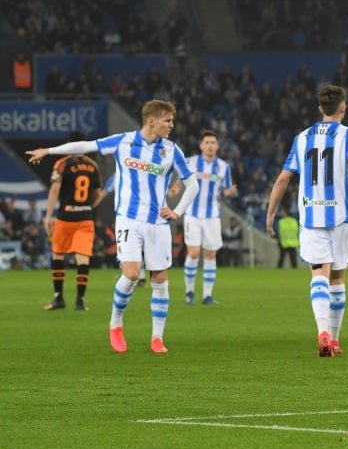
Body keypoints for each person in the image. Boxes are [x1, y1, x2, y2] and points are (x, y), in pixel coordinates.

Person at [27, 100, 199, 354]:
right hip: (128, 219)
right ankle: (116, 324)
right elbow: (86, 145)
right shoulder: (123, 141)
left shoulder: (172, 151)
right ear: (151, 121)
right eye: (167, 120)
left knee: (160, 278)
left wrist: (177, 211)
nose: (172, 125)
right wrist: (49, 150)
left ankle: (157, 338)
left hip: (158, 223)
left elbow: (192, 184)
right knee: (130, 274)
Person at [265, 85, 348, 357]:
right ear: (343, 107)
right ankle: (335, 339)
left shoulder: (301, 138)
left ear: (319, 108)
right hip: (341, 216)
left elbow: (283, 178)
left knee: (319, 275)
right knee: (337, 278)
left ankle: (322, 331)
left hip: (311, 216)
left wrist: (270, 213)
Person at [169, 130, 237, 305]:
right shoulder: (191, 162)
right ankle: (189, 291)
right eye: (207, 142)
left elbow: (226, 189)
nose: (210, 145)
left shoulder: (223, 166)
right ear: (201, 146)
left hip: (212, 216)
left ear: (217, 146)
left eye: (213, 142)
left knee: (210, 254)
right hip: (192, 214)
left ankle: (207, 295)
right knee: (193, 252)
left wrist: (229, 192)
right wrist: (175, 189)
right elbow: (181, 180)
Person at [41, 131, 103, 311]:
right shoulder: (93, 165)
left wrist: (48, 216)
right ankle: (80, 301)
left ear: (69, 145)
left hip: (65, 217)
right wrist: (88, 206)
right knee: (82, 257)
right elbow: (97, 193)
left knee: (58, 254)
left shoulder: (62, 164)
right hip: (85, 218)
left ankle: (58, 298)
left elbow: (55, 189)